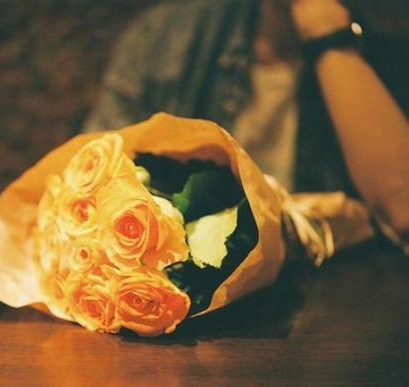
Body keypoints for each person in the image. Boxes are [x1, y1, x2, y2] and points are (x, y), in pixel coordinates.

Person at [83, 0, 409, 238]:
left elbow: (401, 205)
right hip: (193, 289)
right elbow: (90, 186)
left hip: (333, 294)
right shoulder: (169, 36)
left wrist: (328, 36)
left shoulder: (389, 41)